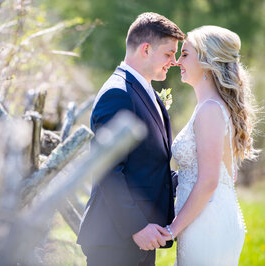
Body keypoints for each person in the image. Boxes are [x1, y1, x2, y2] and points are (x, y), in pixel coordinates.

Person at [77, 12, 184, 265]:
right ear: (146, 49)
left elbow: (147, 166)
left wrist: (195, 176)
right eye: (169, 53)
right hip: (116, 241)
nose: (174, 61)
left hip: (140, 239)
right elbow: (106, 167)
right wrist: (137, 227)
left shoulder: (147, 93)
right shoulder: (117, 94)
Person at [167, 25, 257, 265]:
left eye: (185, 54)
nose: (177, 61)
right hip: (206, 219)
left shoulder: (209, 110)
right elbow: (230, 173)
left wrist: (171, 230)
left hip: (207, 225)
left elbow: (209, 181)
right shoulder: (210, 107)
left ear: (207, 60)